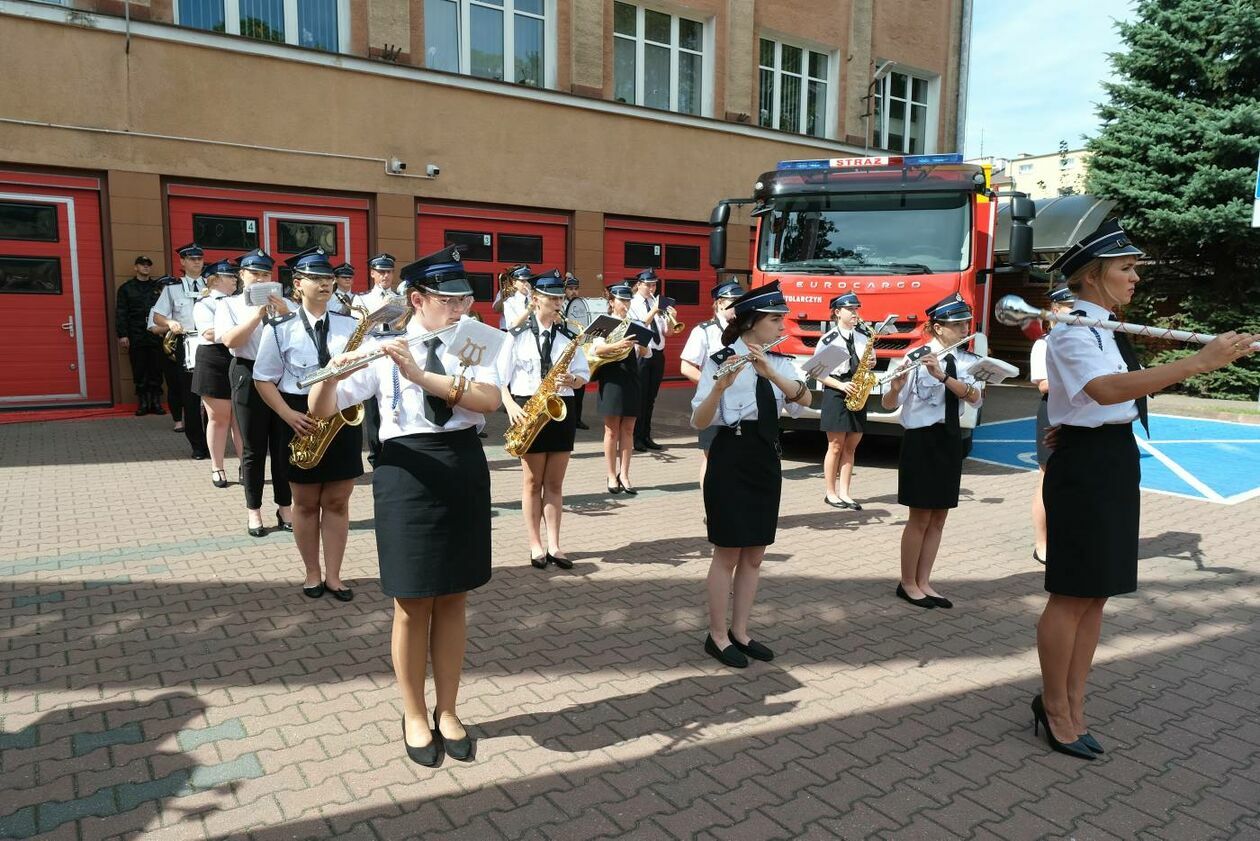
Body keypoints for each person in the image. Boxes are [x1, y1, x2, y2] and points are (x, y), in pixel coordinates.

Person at [1032, 219, 1255, 760]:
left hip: (1112, 455)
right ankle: (1054, 709)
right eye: (1126, 268)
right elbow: (1106, 389)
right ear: (1091, 276)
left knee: (1098, 590)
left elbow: (1106, 399)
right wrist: (1197, 363)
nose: (1136, 278)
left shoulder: (1107, 328)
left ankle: (1075, 700)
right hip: (1086, 463)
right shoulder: (1074, 330)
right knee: (1071, 593)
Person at [309, 244, 502, 766]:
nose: (460, 310)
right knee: (413, 601)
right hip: (406, 470)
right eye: (448, 301)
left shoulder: (473, 342)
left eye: (464, 300)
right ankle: (414, 712)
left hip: (461, 465)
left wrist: (420, 375)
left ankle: (449, 709)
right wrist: (332, 370)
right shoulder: (385, 346)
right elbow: (322, 408)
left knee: (455, 597)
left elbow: (488, 401)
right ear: (417, 299)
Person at [690, 281, 810, 669]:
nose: (781, 326)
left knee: (755, 554)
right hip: (730, 456)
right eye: (775, 319)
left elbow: (804, 401)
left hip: (765, 458)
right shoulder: (719, 359)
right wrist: (718, 387)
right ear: (752, 321)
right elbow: (699, 420)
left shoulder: (780, 359)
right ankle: (717, 634)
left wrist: (770, 373)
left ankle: (741, 631)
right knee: (728, 552)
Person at [253, 246, 362, 603]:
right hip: (297, 417)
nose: (325, 284)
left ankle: (334, 575)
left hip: (340, 414)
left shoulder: (351, 325)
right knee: (304, 503)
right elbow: (263, 378)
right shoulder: (280, 328)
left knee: (337, 502)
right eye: (316, 278)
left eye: (328, 278)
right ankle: (311, 572)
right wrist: (286, 415)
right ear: (297, 284)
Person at [880, 293, 984, 611]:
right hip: (921, 441)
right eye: (957, 324)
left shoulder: (967, 361)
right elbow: (888, 404)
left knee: (939, 517)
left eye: (966, 322)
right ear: (938, 327)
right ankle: (907, 583)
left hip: (950, 439)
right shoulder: (914, 357)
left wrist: (943, 376)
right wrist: (896, 387)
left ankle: (925, 581)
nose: (965, 327)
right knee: (920, 517)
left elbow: (976, 398)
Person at [498, 270, 591, 570]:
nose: (557, 303)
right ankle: (535, 545)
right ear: (535, 300)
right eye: (551, 298)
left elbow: (584, 376)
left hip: (561, 406)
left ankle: (555, 544)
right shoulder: (516, 335)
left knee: (554, 483)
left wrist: (574, 378)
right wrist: (510, 404)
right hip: (528, 406)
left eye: (559, 298)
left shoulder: (569, 337)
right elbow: (500, 379)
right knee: (531, 481)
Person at [216, 249, 295, 537]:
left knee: (282, 445)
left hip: (280, 374)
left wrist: (286, 315)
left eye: (265, 274)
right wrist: (257, 315)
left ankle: (285, 506)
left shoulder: (285, 304)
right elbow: (229, 341)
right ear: (242, 276)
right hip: (247, 372)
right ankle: (254, 509)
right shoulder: (230, 305)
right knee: (253, 448)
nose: (261, 279)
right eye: (255, 274)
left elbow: (298, 338)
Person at [1029, 284, 1077, 564]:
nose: (1075, 312)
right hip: (1053, 412)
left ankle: (1067, 538)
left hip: (1077, 414)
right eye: (1070, 307)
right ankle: (1042, 544)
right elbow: (1043, 385)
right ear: (1056, 310)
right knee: (1047, 481)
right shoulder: (1044, 344)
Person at [680, 281, 742, 484]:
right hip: (713, 401)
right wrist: (711, 384)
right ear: (720, 303)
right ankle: (710, 508)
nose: (738, 306)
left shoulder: (745, 331)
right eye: (734, 302)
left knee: (737, 457)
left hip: (741, 401)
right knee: (711, 456)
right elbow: (686, 367)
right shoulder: (704, 331)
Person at [150, 243, 209, 457]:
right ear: (182, 262)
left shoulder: (212, 286)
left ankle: (213, 442)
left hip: (211, 344)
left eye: (199, 258)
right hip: (187, 344)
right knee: (191, 398)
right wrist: (169, 322)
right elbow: (156, 317)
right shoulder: (172, 289)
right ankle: (198, 446)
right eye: (191, 259)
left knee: (213, 397)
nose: (196, 262)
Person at [591, 284, 648, 495]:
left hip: (631, 377)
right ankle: (610, 473)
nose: (625, 304)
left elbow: (647, 353)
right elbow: (596, 348)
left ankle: (624, 474)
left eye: (628, 301)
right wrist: (618, 345)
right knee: (611, 429)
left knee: (629, 429)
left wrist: (642, 345)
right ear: (611, 302)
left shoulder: (635, 324)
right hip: (612, 378)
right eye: (621, 301)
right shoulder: (604, 323)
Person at [191, 260, 243, 488]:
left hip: (238, 357)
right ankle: (217, 467)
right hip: (214, 360)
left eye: (235, 276)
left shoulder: (239, 302)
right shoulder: (204, 304)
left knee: (241, 421)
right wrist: (240, 329)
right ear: (214, 279)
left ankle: (246, 466)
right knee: (219, 419)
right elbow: (210, 333)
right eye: (229, 276)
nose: (235, 279)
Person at [817, 293, 871, 510]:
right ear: (838, 312)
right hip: (837, 391)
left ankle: (845, 493)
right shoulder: (830, 340)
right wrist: (840, 386)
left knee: (851, 445)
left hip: (857, 390)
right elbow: (818, 373)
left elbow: (865, 365)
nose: (855, 313)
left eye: (857, 309)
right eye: (850, 310)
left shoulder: (862, 338)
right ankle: (830, 493)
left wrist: (870, 363)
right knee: (836, 445)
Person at [352, 253, 397, 468]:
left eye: (388, 271)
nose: (385, 276)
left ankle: (393, 450)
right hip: (372, 357)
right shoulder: (361, 299)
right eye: (381, 272)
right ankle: (375, 456)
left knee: (393, 403)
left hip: (393, 357)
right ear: (372, 274)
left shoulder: (400, 297)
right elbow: (358, 332)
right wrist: (382, 310)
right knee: (372, 412)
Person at [115, 255, 167, 416]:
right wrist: (122, 335)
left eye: (148, 265)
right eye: (142, 265)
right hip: (136, 334)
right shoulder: (126, 288)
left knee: (156, 369)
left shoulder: (158, 287)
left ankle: (156, 402)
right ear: (135, 267)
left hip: (155, 333)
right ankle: (143, 403)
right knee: (139, 370)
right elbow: (121, 313)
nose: (145, 267)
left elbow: (166, 309)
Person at [629, 269, 669, 451]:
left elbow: (665, 332)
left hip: (658, 354)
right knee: (639, 397)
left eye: (654, 285)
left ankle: (646, 435)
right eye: (649, 285)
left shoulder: (656, 303)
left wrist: (670, 319)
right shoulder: (632, 303)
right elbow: (640, 326)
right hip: (642, 355)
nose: (652, 288)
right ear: (639, 284)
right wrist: (654, 310)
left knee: (651, 398)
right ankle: (635, 437)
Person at [561, 273, 591, 429]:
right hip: (564, 348)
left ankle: (577, 418)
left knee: (580, 386)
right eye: (570, 288)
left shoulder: (580, 305)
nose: (573, 292)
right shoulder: (561, 305)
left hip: (579, 347)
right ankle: (567, 417)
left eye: (576, 289)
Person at [495, 264, 534, 330]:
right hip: (508, 331)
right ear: (514, 282)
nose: (526, 284)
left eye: (528, 281)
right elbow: (497, 310)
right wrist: (504, 299)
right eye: (522, 281)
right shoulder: (506, 294)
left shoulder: (534, 296)